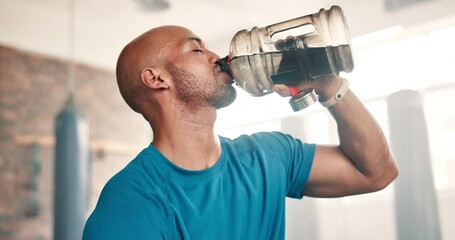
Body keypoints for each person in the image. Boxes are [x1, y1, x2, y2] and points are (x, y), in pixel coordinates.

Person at [82, 25, 398, 239]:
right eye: (196, 50)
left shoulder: (267, 155)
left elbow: (376, 173)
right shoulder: (132, 200)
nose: (216, 57)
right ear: (156, 79)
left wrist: (329, 85)